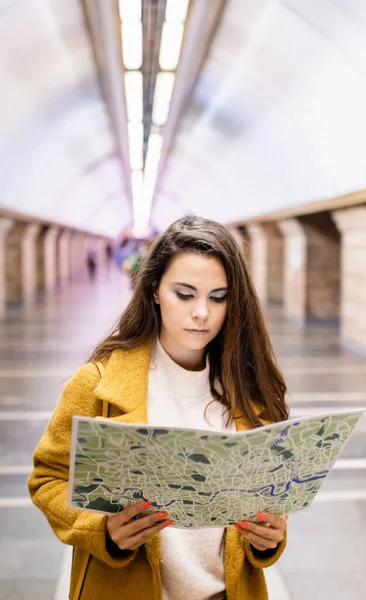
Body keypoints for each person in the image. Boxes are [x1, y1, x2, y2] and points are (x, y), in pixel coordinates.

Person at [28, 215, 289, 600]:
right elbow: (47, 478)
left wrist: (268, 539)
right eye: (185, 294)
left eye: (218, 297)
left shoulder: (249, 390)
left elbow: (266, 504)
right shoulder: (97, 384)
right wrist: (102, 530)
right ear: (153, 290)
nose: (202, 312)